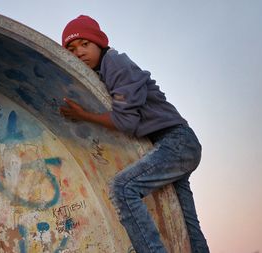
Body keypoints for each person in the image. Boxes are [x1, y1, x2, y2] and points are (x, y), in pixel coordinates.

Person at [60, 15, 210, 253]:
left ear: (99, 43)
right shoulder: (101, 73)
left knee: (123, 188)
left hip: (176, 141)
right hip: (176, 143)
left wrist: (84, 115)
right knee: (188, 225)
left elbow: (126, 121)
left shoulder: (115, 63)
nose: (78, 52)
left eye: (84, 44)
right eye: (71, 48)